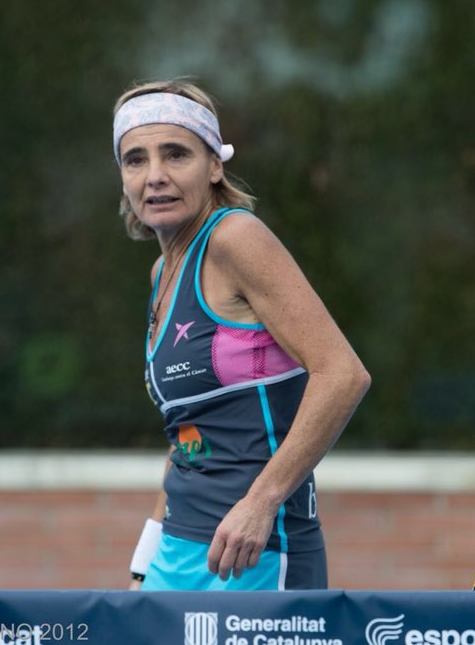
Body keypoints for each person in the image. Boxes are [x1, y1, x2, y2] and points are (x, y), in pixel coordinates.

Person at [113, 79, 371, 590]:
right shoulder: (160, 274)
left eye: (176, 154)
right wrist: (146, 559)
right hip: (177, 550)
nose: (155, 177)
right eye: (135, 160)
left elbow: (343, 374)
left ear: (214, 165)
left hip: (255, 554)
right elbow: (184, 434)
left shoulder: (234, 238)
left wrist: (261, 502)